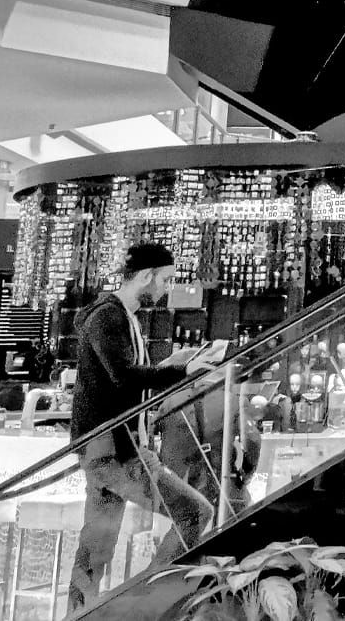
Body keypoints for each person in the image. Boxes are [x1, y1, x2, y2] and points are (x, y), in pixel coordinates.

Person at [68, 242, 217, 609]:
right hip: (113, 447)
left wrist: (175, 364)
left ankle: (82, 612)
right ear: (148, 275)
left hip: (111, 445)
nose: (167, 289)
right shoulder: (109, 316)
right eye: (165, 280)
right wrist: (182, 371)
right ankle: (144, 601)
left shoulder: (121, 316)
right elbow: (123, 376)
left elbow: (125, 377)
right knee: (195, 512)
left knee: (97, 543)